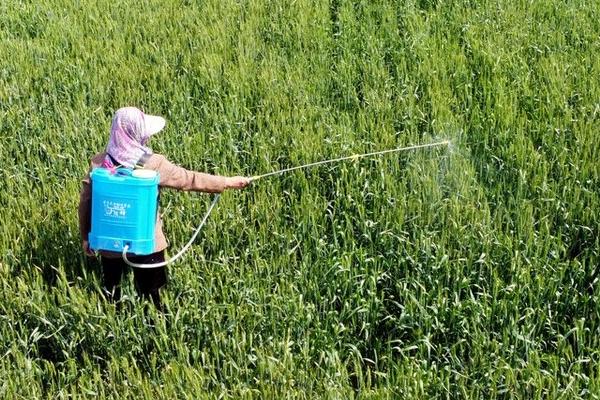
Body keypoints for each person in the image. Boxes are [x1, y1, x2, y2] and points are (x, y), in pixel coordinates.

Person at [78, 106, 249, 310]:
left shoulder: (99, 164)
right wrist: (226, 182)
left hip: (109, 244)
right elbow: (189, 179)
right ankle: (156, 328)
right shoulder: (153, 164)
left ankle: (115, 321)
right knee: (153, 295)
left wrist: (86, 237)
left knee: (111, 291)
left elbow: (85, 204)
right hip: (147, 244)